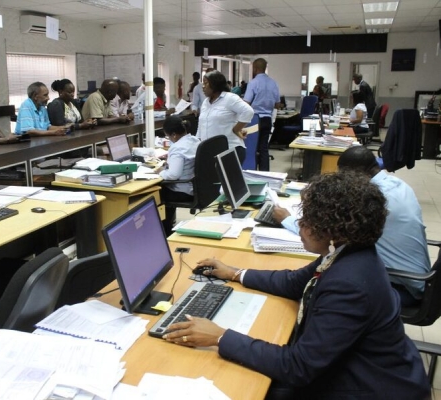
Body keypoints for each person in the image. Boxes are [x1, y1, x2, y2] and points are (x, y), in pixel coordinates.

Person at [164, 172, 430, 399]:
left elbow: (299, 366)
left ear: (332, 229)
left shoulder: (350, 283)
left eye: (307, 220)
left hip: (368, 388)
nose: (300, 225)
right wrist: (235, 273)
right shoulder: (349, 252)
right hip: (353, 369)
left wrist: (219, 337)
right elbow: (294, 282)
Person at [272, 146, 430, 306]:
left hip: (402, 285)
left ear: (355, 175)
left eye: (343, 176)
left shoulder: (376, 199)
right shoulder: (397, 184)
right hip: (412, 277)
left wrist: (286, 218)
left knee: (310, 290)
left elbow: (324, 230)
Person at [155, 115, 200, 233]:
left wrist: (160, 173)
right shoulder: (194, 140)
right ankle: (169, 224)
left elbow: (173, 175)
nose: (168, 138)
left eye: (168, 135)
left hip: (182, 190)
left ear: (174, 134)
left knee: (156, 192)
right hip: (195, 186)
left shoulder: (177, 148)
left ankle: (165, 230)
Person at [197, 70, 254, 164]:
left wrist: (236, 129)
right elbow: (201, 127)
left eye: (206, 83)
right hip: (210, 152)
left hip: (230, 150)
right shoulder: (205, 102)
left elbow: (248, 111)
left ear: (215, 84)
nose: (203, 87)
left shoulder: (229, 98)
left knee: (228, 178)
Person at [243, 58, 280, 171]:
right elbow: (278, 105)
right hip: (267, 119)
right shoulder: (273, 83)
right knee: (264, 148)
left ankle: (252, 172)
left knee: (252, 148)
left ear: (255, 68)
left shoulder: (253, 83)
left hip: (255, 119)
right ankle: (265, 174)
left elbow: (246, 103)